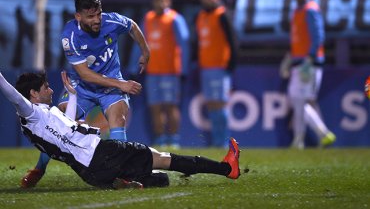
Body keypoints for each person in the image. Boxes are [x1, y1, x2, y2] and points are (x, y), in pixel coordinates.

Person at [0, 71, 241, 189]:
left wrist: (72, 95)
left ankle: (130, 181)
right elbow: (10, 91)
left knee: (158, 178)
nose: (51, 90)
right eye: (46, 87)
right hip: (102, 153)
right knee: (163, 158)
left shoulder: (39, 121)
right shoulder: (29, 111)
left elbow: (68, 124)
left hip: (89, 172)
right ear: (32, 94)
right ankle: (226, 168)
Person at [21, 0, 150, 188]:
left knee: (118, 119)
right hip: (82, 87)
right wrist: (121, 84)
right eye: (91, 16)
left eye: (98, 14)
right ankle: (40, 168)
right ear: (78, 17)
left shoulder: (112, 21)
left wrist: (145, 51)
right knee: (58, 123)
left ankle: (120, 173)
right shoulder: (70, 36)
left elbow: (132, 25)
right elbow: (85, 74)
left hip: (110, 85)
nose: (97, 20)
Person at [129, 0, 190, 148]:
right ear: (154, 2)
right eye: (158, 0)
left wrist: (183, 68)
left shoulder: (175, 19)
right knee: (155, 108)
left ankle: (174, 139)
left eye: (164, 0)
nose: (161, 4)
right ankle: (161, 140)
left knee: (170, 106)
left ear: (168, 2)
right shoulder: (148, 19)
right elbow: (140, 43)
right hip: (153, 72)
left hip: (170, 72)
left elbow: (184, 44)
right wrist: (134, 66)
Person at [281, 0, 336, 149]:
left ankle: (311, 136)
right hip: (300, 62)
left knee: (298, 100)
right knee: (300, 101)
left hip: (309, 63)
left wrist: (310, 58)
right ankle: (305, 138)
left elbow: (318, 36)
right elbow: (298, 39)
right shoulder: (298, 11)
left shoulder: (311, 10)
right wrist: (290, 58)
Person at [192, 0, 238, 147]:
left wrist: (231, 64)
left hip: (220, 67)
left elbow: (232, 40)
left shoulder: (222, 15)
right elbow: (198, 42)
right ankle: (216, 141)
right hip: (206, 67)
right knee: (211, 104)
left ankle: (224, 141)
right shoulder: (200, 17)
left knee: (220, 103)